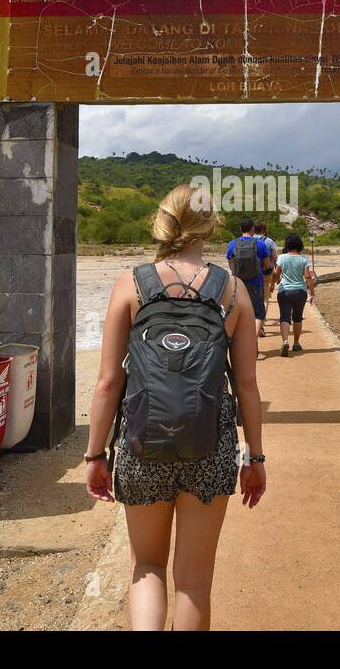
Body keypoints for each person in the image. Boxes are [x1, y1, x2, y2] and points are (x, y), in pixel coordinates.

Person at [84, 185, 266, 630]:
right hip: (211, 444)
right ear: (211, 225)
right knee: (194, 582)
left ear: (163, 220)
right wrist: (254, 457)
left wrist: (94, 455)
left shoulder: (132, 282)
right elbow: (246, 384)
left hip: (142, 442)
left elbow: (109, 381)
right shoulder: (233, 290)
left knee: (146, 567)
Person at [226, 218, 272, 342]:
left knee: (237, 311)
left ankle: (236, 340)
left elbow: (230, 264)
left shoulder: (232, 244)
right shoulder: (260, 244)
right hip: (256, 282)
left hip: (238, 283)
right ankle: (253, 340)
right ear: (252, 228)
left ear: (241, 229)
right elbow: (267, 265)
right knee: (258, 313)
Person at [275, 233, 317, 357]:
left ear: (287, 245)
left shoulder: (282, 258)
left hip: (285, 291)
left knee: (284, 316)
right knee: (298, 317)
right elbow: (308, 277)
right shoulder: (303, 259)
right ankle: (296, 343)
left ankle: (285, 341)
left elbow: (277, 274)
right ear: (300, 245)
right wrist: (312, 293)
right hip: (300, 291)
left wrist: (272, 284)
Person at [255, 220, 276, 337]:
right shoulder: (269, 241)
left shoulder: (249, 240)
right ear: (264, 230)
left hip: (250, 273)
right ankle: (261, 323)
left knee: (252, 298)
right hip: (266, 273)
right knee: (265, 299)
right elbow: (275, 258)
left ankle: (252, 323)